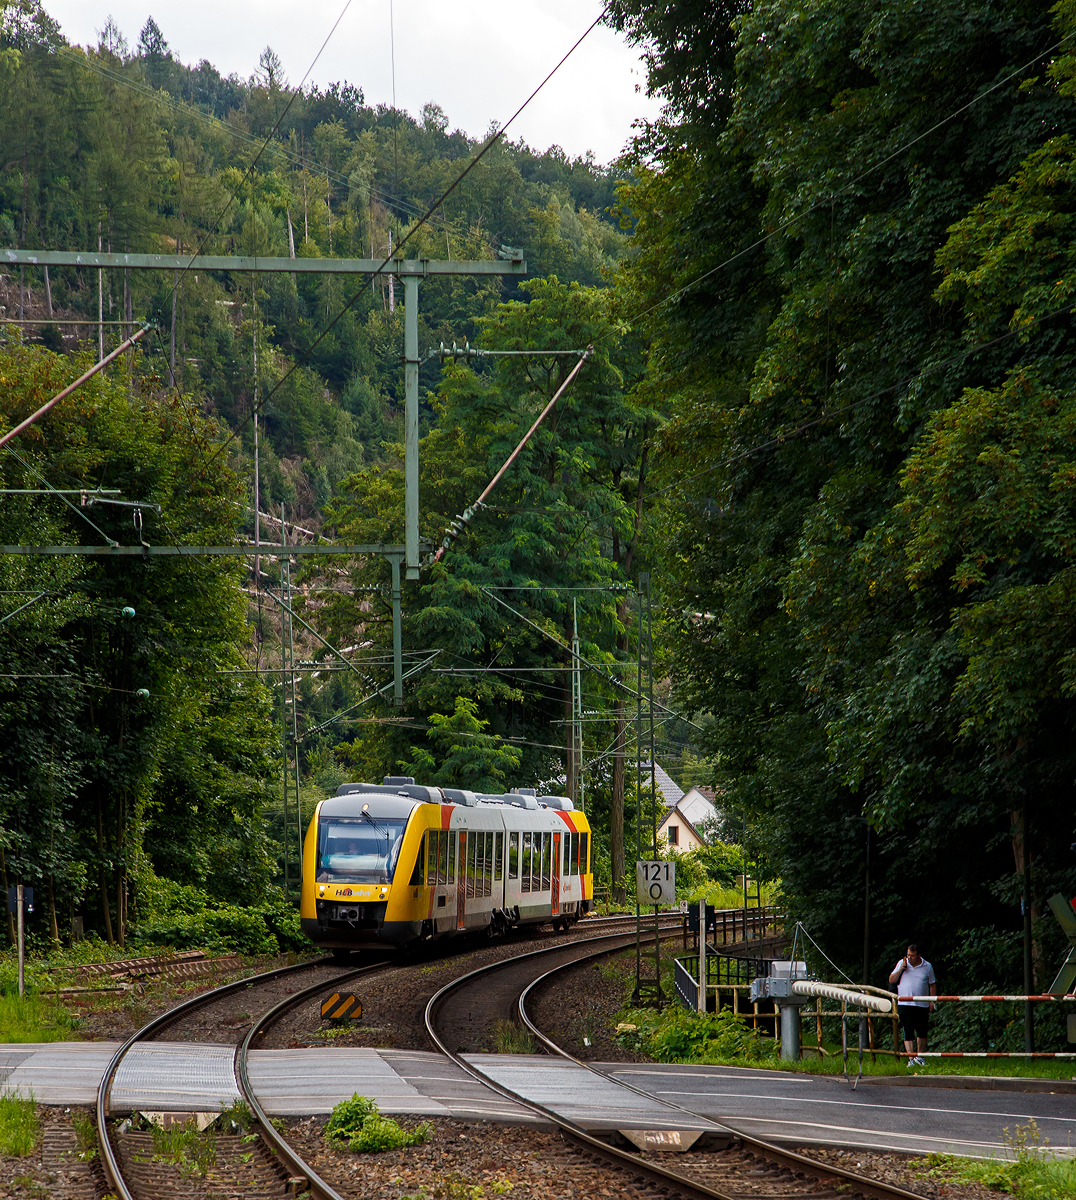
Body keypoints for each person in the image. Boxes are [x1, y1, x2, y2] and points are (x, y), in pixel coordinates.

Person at [889, 943, 937, 1066]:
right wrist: (901, 969)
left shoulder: (927, 966)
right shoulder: (902, 963)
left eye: (912, 956)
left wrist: (932, 1001)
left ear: (919, 955)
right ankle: (911, 1058)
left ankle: (920, 1056)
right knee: (907, 1030)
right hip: (905, 1002)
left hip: (921, 1004)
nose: (909, 958)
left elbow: (932, 984)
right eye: (908, 955)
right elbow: (891, 980)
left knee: (922, 1031)